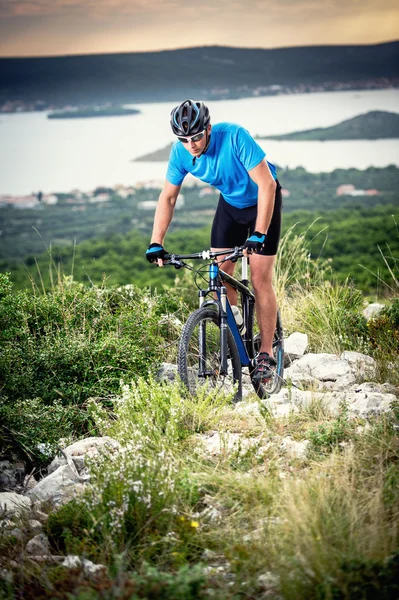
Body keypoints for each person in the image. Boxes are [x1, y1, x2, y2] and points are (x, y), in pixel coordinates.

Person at [146, 99, 282, 383]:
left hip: (263, 200)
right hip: (230, 206)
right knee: (219, 274)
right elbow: (168, 197)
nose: (191, 144)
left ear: (207, 129)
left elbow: (267, 184)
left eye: (196, 136)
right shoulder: (180, 153)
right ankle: (233, 338)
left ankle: (267, 355)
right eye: (183, 139)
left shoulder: (233, 135)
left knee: (259, 278)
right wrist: (156, 242)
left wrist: (258, 233)